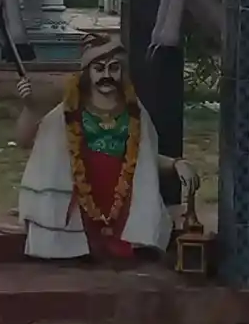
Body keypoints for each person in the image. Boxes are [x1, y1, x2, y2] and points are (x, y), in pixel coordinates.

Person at [13, 34, 196, 260]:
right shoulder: (70, 111)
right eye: (99, 69)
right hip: (80, 207)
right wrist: (29, 108)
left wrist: (176, 164)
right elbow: (25, 140)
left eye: (114, 68)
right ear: (88, 74)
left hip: (122, 208)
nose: (107, 76)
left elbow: (143, 159)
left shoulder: (135, 113)